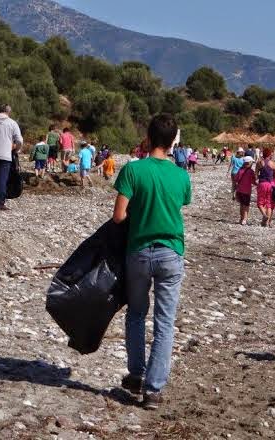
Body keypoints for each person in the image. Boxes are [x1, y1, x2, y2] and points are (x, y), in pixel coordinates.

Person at [112, 114, 191, 410]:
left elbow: (119, 216)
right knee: (165, 322)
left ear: (147, 137)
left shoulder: (133, 170)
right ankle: (153, 391)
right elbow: (181, 203)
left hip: (139, 252)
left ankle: (136, 374)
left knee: (135, 314)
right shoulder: (182, 175)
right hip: (171, 252)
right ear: (173, 142)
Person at [256, 148, 275, 227]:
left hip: (262, 183)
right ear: (269, 155)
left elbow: (256, 175)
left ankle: (264, 215)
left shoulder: (259, 163)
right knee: (269, 203)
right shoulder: (274, 164)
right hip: (271, 184)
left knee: (260, 203)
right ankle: (267, 222)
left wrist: (260, 176)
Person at [235, 156, 256, 225]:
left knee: (241, 205)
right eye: (251, 162)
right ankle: (245, 219)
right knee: (246, 205)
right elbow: (253, 181)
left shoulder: (240, 170)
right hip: (247, 191)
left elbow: (236, 179)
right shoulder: (251, 171)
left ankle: (241, 218)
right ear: (249, 162)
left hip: (239, 190)